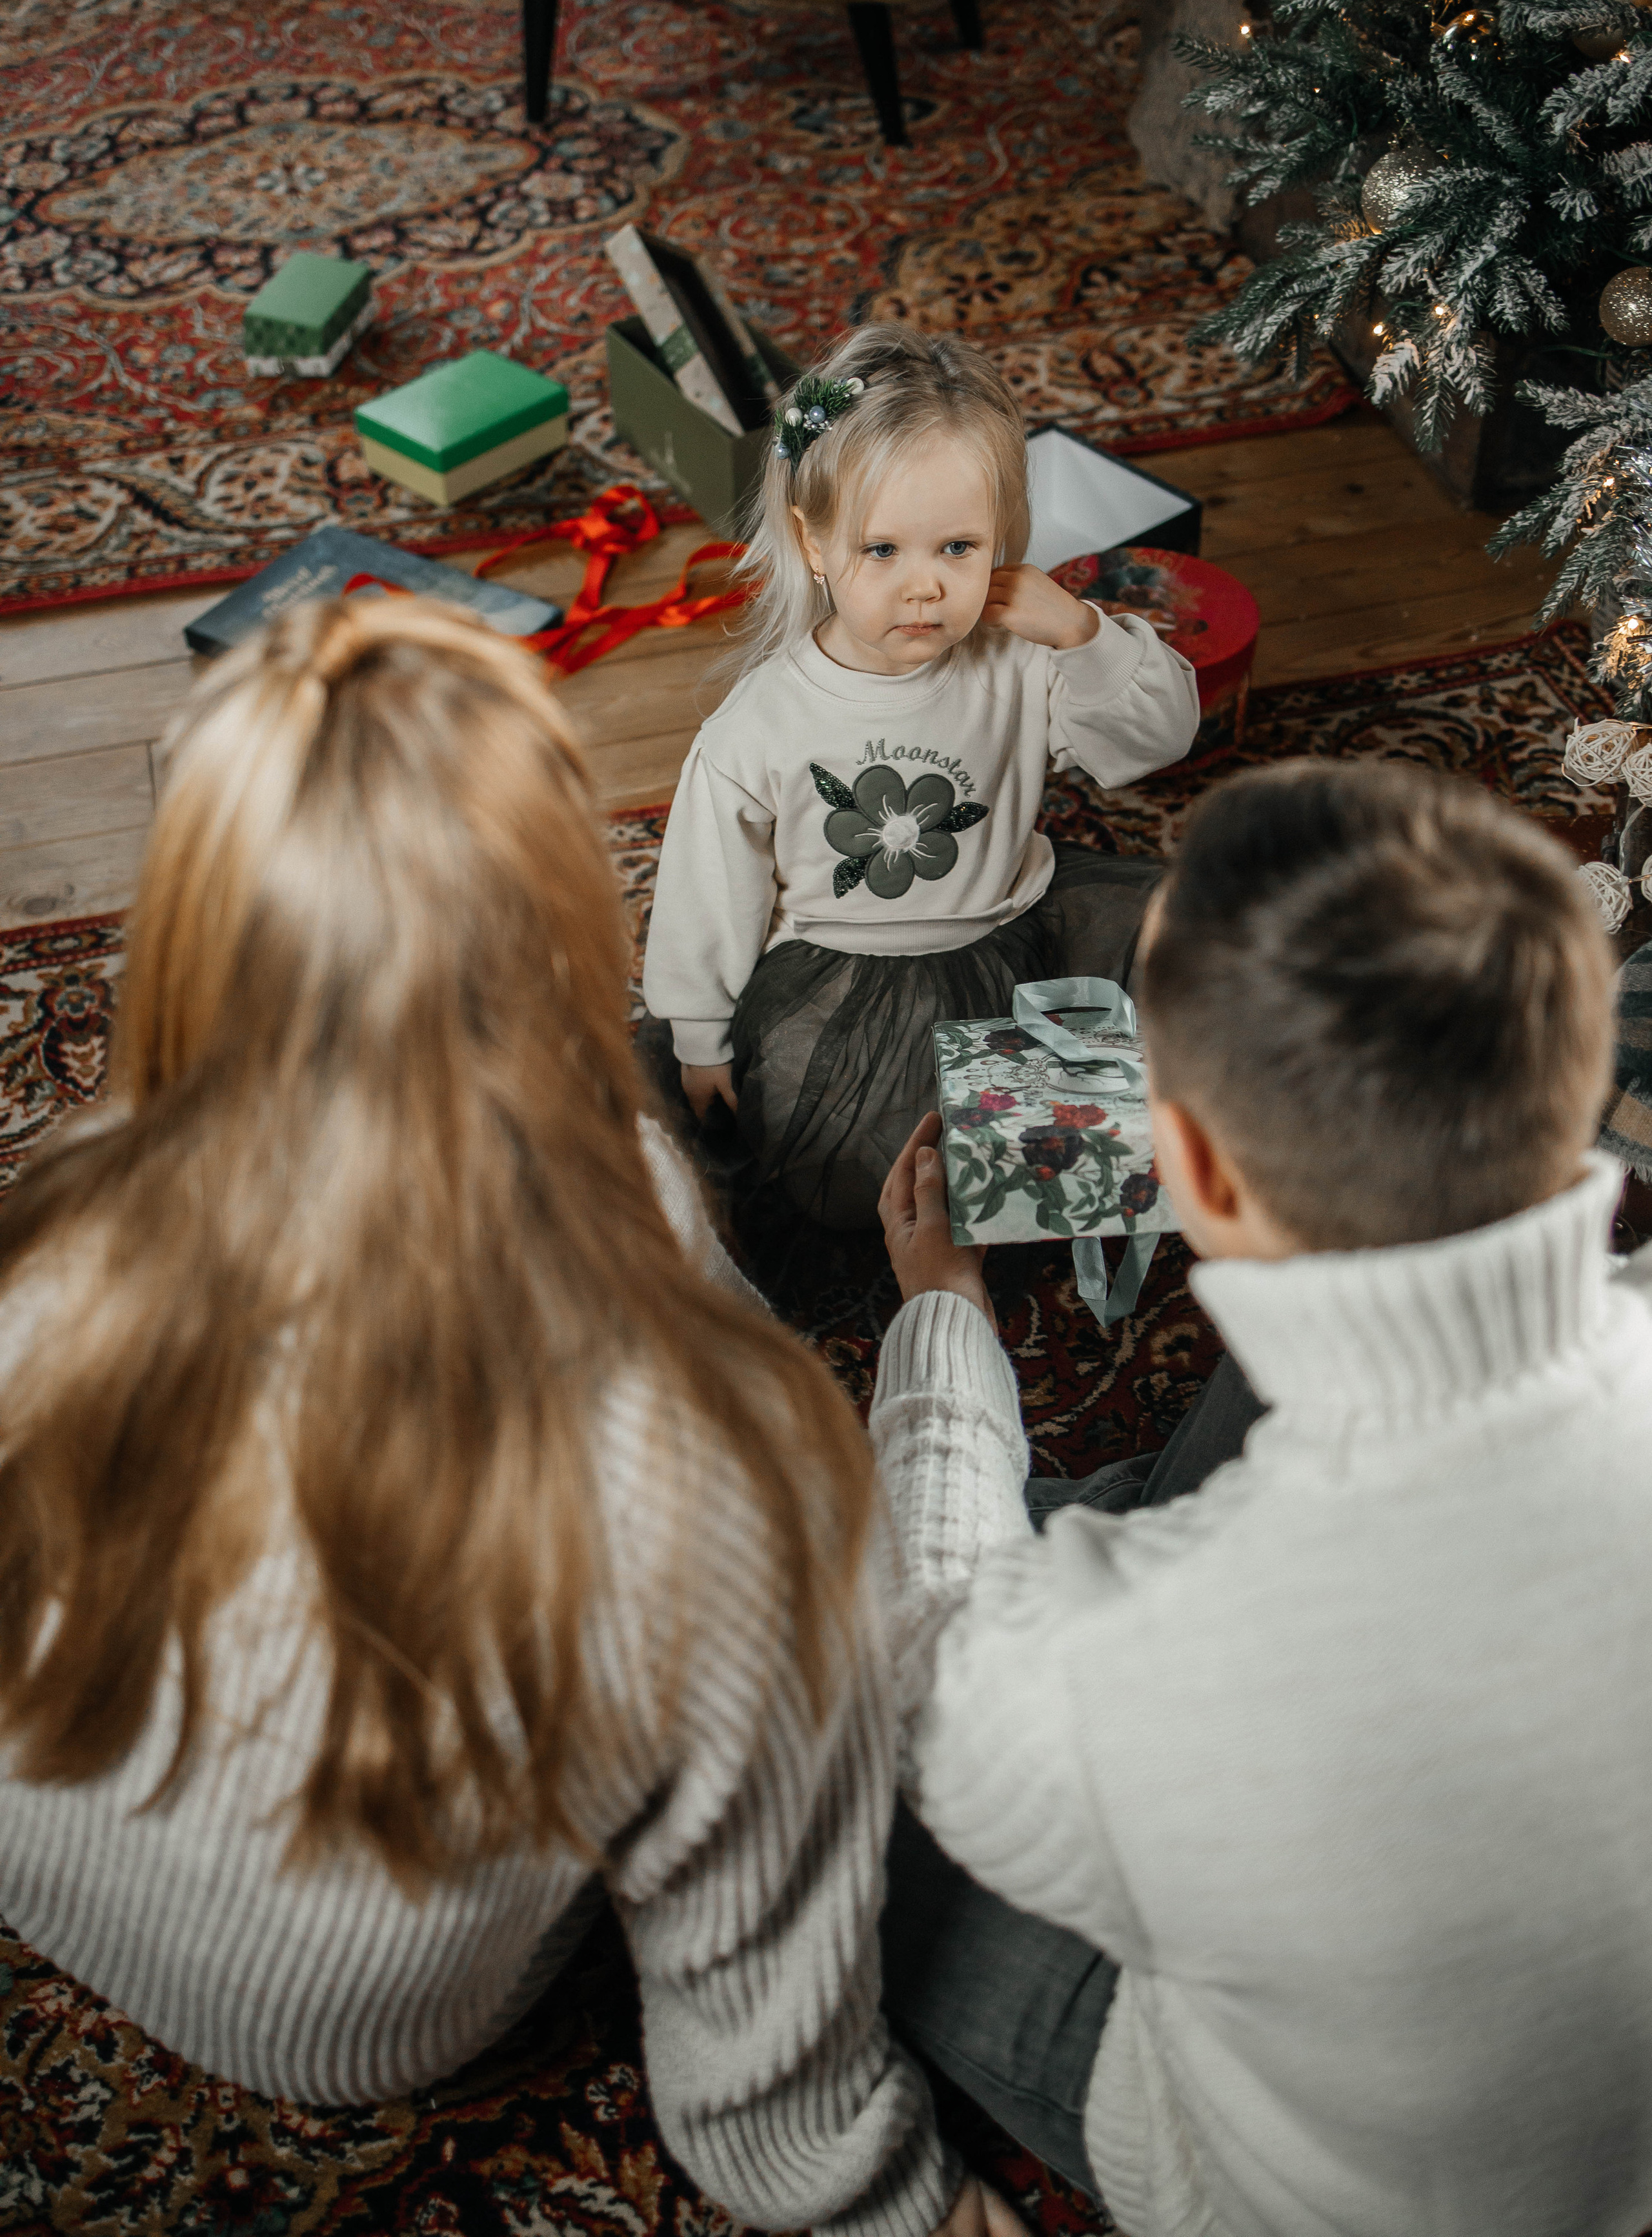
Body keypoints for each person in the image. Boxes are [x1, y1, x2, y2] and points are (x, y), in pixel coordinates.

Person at [0, 594, 1006, 2237]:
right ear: (565, 930)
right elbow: (765, 2082)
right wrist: (943, 1326)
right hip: (351, 2020)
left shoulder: (48, 1217)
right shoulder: (716, 1483)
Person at [869, 758, 1652, 2237]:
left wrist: (942, 1319)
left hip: (1304, 2192)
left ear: (1198, 1178)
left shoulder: (1132, 1661)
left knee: (830, 1768)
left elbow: (920, 1664)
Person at [640, 325, 1199, 1228]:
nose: (925, 589)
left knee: (1214, 945)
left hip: (1023, 928)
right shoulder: (760, 727)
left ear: (1002, 541)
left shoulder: (1020, 659)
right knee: (879, 1155)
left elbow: (1159, 740)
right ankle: (1038, 1148)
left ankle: (1078, 1131)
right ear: (813, 544)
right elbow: (707, 893)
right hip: (849, 986)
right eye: (882, 550)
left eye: (958, 549)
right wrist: (701, 1039)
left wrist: (1083, 636)